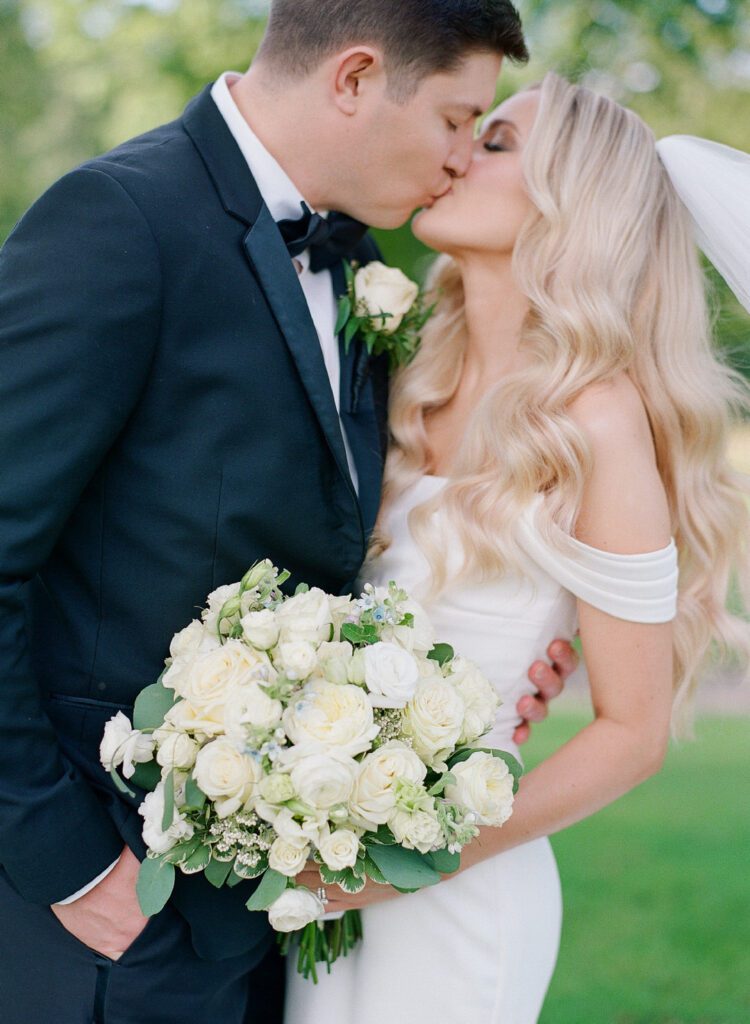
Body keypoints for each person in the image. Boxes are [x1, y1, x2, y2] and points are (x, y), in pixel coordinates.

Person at [0, 4, 581, 1022]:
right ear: (354, 78)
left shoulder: (364, 271)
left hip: (274, 913)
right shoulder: (119, 222)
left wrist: (505, 652)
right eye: (455, 119)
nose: (458, 158)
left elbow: (340, 540)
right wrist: (67, 859)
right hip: (98, 919)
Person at [288, 73, 750, 1024]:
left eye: (494, 143)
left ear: (570, 203)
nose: (455, 154)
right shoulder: (408, 363)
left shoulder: (597, 421)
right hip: (322, 865)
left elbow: (634, 733)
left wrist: (414, 860)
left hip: (456, 896)